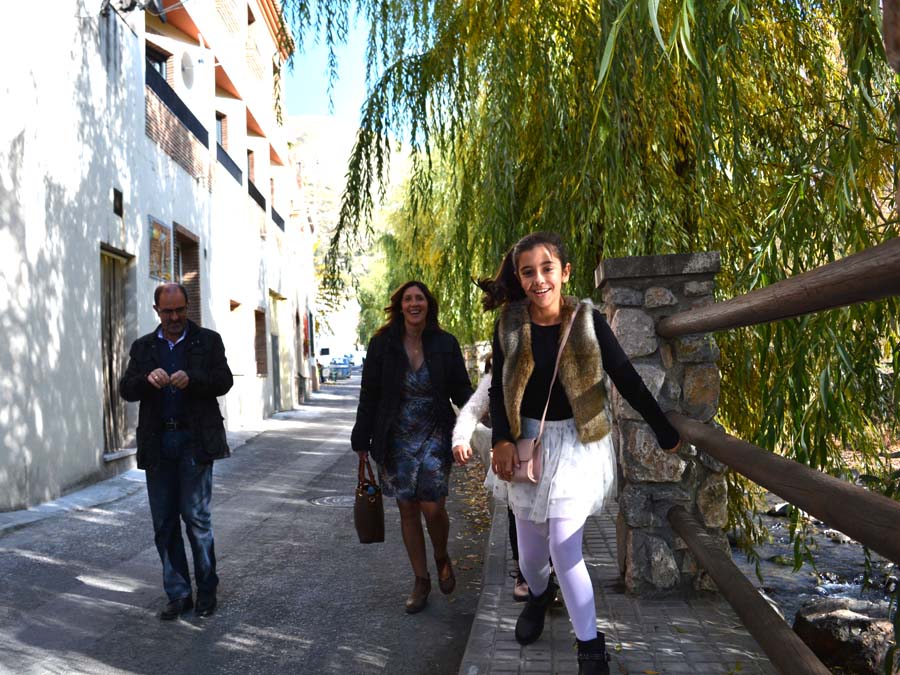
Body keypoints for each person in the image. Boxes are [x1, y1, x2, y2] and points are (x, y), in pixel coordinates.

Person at [479, 232, 681, 675]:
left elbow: (625, 377)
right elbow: (498, 388)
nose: (539, 280)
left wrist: (663, 427)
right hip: (527, 444)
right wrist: (501, 440)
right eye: (528, 272)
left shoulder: (589, 322)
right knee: (531, 559)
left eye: (547, 268)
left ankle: (590, 647)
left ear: (565, 272)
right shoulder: (510, 323)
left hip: (577, 444)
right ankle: (538, 595)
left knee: (564, 546)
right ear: (519, 278)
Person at [351, 280, 473, 614]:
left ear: (428, 304)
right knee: (407, 509)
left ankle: (441, 554)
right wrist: (361, 438)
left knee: (432, 507)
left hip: (435, 433)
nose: (414, 303)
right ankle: (421, 580)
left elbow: (461, 389)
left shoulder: (445, 343)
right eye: (408, 299)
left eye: (419, 298)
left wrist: (483, 414)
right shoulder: (382, 345)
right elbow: (369, 394)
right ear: (400, 306)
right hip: (395, 437)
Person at [119, 283, 233, 621]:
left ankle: (207, 591)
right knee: (164, 523)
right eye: (167, 311)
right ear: (157, 311)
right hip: (158, 444)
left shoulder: (207, 341)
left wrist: (193, 379)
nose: (174, 317)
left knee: (196, 519)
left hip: (195, 441)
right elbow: (126, 389)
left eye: (179, 310)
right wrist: (146, 379)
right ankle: (179, 594)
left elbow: (224, 380)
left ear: (187, 307)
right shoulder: (143, 347)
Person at [452, 355, 531, 602]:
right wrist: (460, 438)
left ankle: (548, 574)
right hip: (515, 455)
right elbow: (474, 407)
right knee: (516, 513)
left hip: (554, 453)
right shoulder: (500, 370)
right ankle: (523, 573)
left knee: (553, 518)